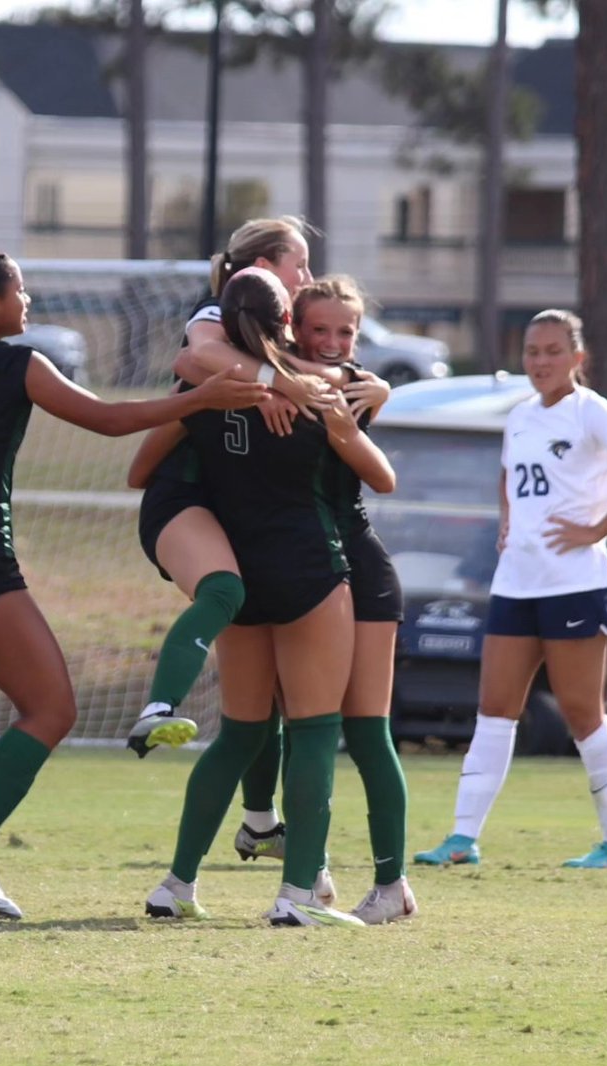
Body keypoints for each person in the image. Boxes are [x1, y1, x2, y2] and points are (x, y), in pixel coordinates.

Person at [0, 246, 265, 920]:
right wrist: (200, 399)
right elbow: (105, 420)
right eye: (19, 290)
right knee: (52, 709)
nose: (27, 302)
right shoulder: (20, 363)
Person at [145, 267, 392, 927]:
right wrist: (351, 410)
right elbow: (383, 479)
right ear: (288, 323)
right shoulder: (320, 391)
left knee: (238, 736)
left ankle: (176, 884)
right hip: (309, 571)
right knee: (314, 733)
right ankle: (297, 895)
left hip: (241, 576)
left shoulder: (203, 387)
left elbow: (142, 468)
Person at [414, 309, 607, 870]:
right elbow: (509, 474)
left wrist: (598, 529)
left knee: (582, 712)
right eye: (532, 351)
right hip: (516, 583)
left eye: (554, 351)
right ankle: (461, 839)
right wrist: (508, 521)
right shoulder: (521, 415)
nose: (541, 361)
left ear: (578, 357)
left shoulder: (590, 409)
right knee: (494, 709)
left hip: (576, 585)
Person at [126, 217, 351, 761]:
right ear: (262, 268)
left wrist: (357, 382)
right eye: (299, 264)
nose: (308, 276)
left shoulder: (281, 345)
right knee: (225, 597)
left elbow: (342, 378)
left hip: (245, 522)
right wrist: (276, 382)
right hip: (191, 502)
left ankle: (260, 809)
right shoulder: (218, 317)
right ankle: (159, 707)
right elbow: (194, 357)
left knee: (261, 709)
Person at [232, 276, 417, 923]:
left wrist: (353, 412)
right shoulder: (270, 378)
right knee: (300, 727)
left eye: (347, 331)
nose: (334, 342)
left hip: (358, 569)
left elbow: (383, 478)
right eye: (320, 329)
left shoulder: (351, 387)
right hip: (302, 568)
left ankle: (391, 886)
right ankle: (309, 873)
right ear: (293, 328)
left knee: (366, 732)